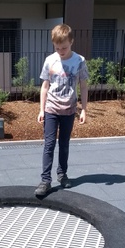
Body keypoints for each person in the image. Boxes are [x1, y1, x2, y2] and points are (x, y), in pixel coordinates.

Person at [35, 23, 88, 196]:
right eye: (57, 48)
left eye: (64, 47)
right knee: (49, 144)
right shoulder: (50, 60)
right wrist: (41, 110)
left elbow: (83, 86)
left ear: (71, 42)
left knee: (64, 144)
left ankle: (62, 174)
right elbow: (44, 86)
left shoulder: (79, 61)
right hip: (51, 108)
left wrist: (84, 109)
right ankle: (45, 180)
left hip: (69, 110)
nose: (61, 51)